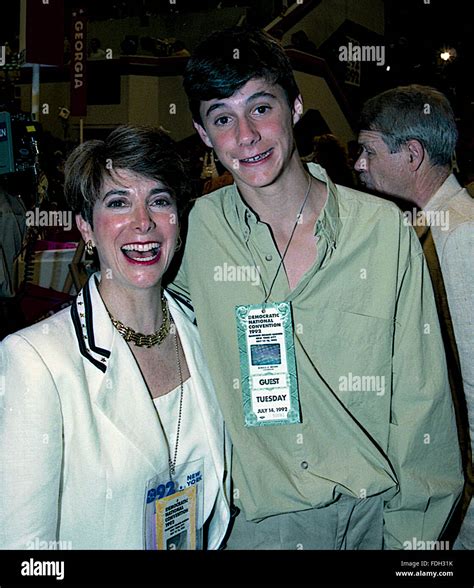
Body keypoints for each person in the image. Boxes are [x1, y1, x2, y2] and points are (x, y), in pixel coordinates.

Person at [168, 26, 464, 550]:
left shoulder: (381, 232)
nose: (246, 136)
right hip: (257, 527)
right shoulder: (194, 235)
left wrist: (407, 542)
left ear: (296, 106)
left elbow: (424, 403)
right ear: (203, 132)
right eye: (222, 118)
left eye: (261, 108)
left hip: (374, 521)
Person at [0, 125, 230, 550]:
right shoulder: (36, 362)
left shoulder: (205, 337)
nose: (143, 222)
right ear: (86, 228)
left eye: (159, 201)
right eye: (118, 202)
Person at [355, 84, 474, 550]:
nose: (359, 164)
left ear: (412, 154)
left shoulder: (459, 235)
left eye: (368, 151)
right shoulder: (433, 222)